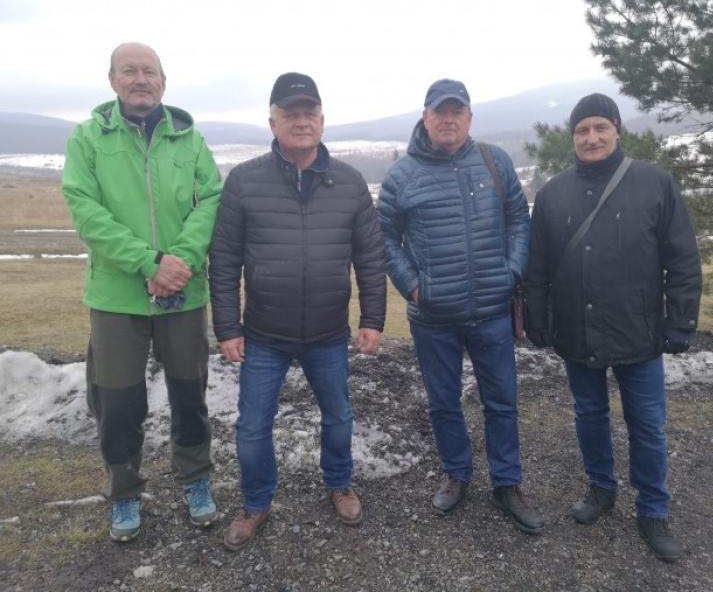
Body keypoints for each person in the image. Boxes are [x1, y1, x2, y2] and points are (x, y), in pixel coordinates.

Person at [209, 72, 386, 551]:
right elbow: (224, 259)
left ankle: (340, 483)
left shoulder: (349, 183)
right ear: (273, 122)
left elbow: (370, 257)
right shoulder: (244, 181)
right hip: (263, 333)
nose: (301, 121)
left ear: (322, 122)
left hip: (328, 333)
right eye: (291, 114)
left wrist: (372, 319)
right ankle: (256, 503)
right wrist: (227, 326)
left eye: (310, 113)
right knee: (252, 425)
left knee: (338, 415)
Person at [523, 93, 702, 561]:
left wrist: (681, 319)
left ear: (617, 130)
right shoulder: (552, 194)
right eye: (582, 130)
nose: (592, 137)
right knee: (589, 414)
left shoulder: (655, 183)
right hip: (576, 329)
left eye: (600, 127)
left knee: (647, 425)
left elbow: (682, 257)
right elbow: (537, 266)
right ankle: (601, 488)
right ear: (572, 138)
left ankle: (653, 509)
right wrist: (537, 318)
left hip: (638, 330)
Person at [61, 42, 222, 542]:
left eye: (149, 71)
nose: (140, 79)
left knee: (190, 393)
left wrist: (178, 263)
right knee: (117, 402)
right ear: (112, 80)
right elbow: (86, 211)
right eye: (129, 70)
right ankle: (124, 491)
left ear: (163, 82)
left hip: (183, 293)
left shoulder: (189, 138)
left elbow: (211, 200)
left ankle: (195, 478)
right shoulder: (88, 138)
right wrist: (149, 263)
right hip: (117, 297)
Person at [378, 79, 543, 534]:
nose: (448, 119)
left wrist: (511, 272)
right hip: (433, 318)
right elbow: (384, 239)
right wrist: (415, 288)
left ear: (469, 117)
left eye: (457, 111)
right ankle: (457, 474)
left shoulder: (495, 161)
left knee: (502, 402)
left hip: (492, 311)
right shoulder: (402, 175)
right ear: (425, 116)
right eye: (440, 111)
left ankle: (507, 483)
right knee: (443, 402)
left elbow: (519, 221)